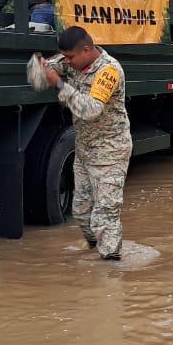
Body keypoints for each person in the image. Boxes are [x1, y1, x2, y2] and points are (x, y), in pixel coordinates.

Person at [39, 27, 131, 260]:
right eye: (66, 58)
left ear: (87, 50)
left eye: (71, 58)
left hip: (111, 152)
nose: (67, 63)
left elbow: (91, 110)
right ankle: (95, 251)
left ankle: (110, 266)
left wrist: (59, 85)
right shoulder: (74, 61)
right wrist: (43, 67)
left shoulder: (108, 71)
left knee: (106, 213)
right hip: (85, 151)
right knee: (81, 212)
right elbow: (51, 65)